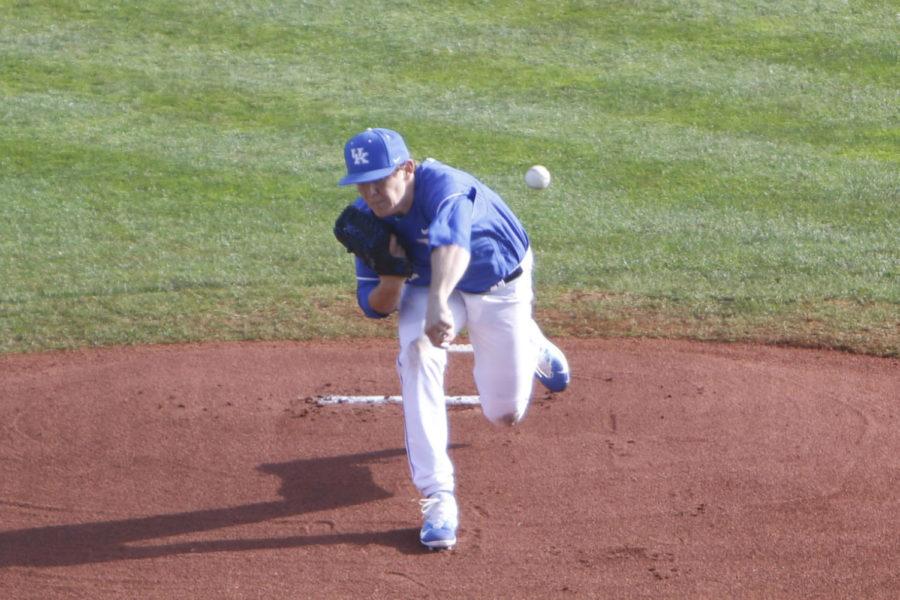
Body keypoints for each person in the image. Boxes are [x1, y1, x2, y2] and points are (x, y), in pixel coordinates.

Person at [337, 127, 570, 550]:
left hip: (496, 281)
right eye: (360, 182)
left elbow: (452, 245)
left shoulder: (446, 188)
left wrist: (440, 302)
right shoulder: (366, 218)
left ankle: (529, 338)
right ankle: (437, 495)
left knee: (504, 414)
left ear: (406, 169)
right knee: (417, 353)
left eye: (378, 179)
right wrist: (392, 277)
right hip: (428, 287)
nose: (369, 192)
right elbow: (373, 306)